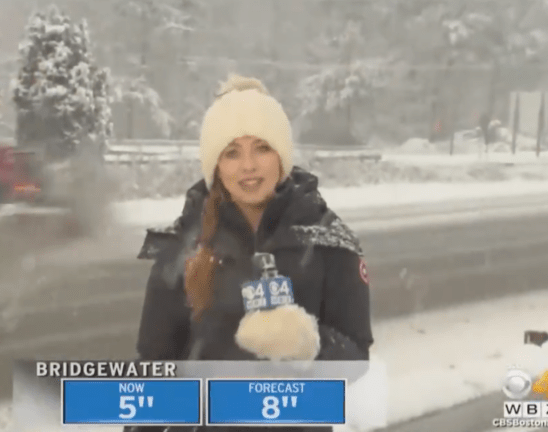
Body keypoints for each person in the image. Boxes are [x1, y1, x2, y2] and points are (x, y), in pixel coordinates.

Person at [127, 74, 373, 432]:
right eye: (232, 153)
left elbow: (357, 360)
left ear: (281, 155)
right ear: (215, 165)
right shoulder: (184, 246)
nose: (248, 166)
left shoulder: (327, 239)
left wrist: (310, 343)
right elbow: (153, 367)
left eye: (262, 148)